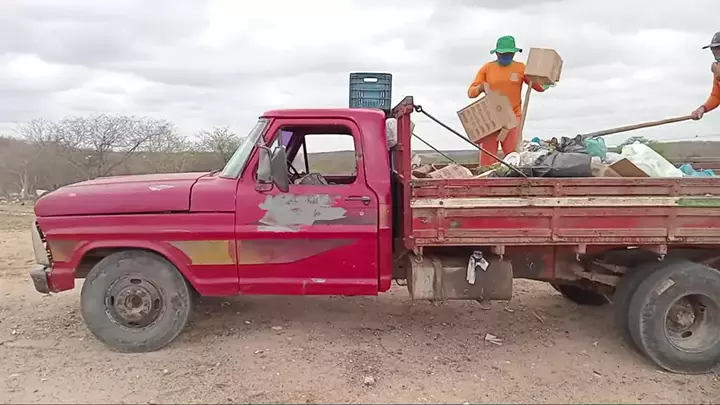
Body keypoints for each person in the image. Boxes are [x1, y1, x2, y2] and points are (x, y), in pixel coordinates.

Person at [468, 35, 546, 166]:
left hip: (513, 117)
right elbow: (471, 92)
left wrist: (544, 79)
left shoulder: (521, 68)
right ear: (497, 53)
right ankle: (487, 177)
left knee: (512, 157)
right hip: (492, 118)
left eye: (509, 54)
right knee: (488, 159)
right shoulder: (487, 68)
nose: (506, 57)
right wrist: (480, 87)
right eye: (503, 54)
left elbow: (539, 87)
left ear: (514, 53)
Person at [691, 32, 720, 120]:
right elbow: (716, 96)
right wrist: (702, 108)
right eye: (713, 49)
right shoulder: (717, 68)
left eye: (718, 48)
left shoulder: (717, 69)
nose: (715, 52)